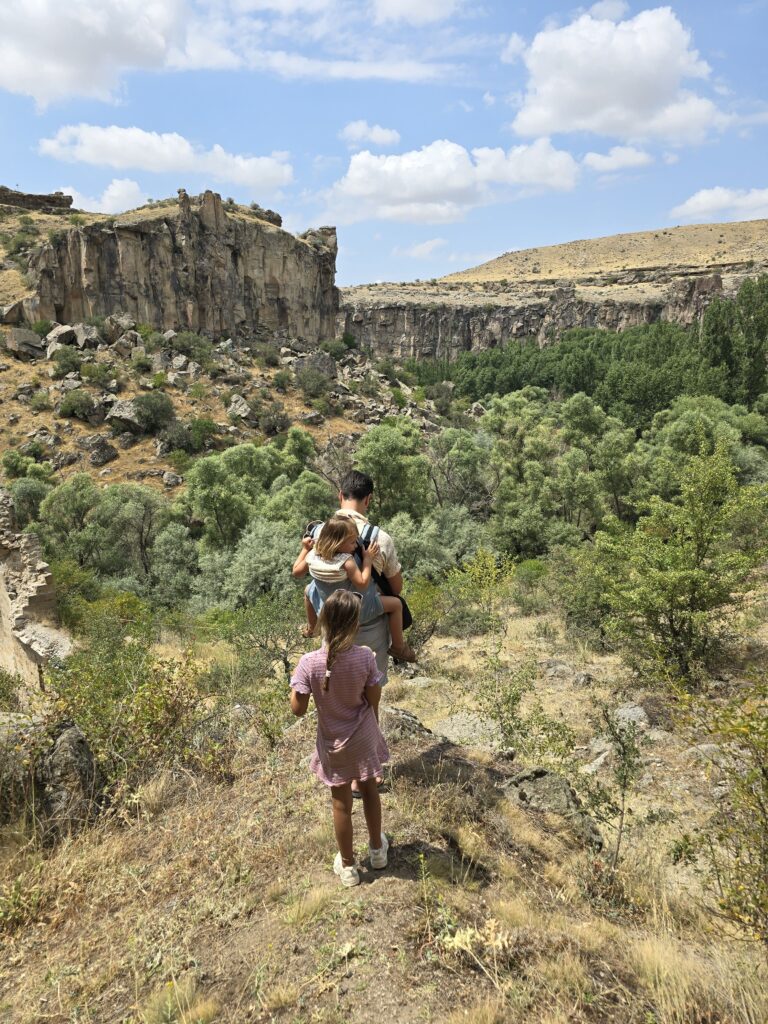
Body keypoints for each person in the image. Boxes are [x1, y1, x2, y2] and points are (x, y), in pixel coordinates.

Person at [290, 590, 390, 887]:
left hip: (334, 743)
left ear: (322, 621)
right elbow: (373, 699)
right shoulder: (365, 657)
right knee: (370, 791)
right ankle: (377, 851)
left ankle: (348, 866)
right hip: (363, 736)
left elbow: (298, 709)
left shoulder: (309, 663)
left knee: (341, 804)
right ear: (355, 624)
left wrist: (295, 687)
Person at [292, 514, 415, 661]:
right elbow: (362, 582)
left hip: (329, 608)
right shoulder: (346, 561)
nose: (356, 546)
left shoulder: (313, 555)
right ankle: (398, 647)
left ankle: (312, 628)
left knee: (308, 590)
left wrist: (305, 549)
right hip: (354, 610)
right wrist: (367, 559)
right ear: (337, 543)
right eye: (351, 542)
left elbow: (296, 572)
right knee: (396, 605)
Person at [331, 470, 407, 683]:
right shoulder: (379, 539)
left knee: (336, 691)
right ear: (368, 499)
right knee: (369, 693)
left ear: (340, 495)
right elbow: (396, 587)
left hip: (332, 628)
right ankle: (400, 648)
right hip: (369, 631)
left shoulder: (319, 533)